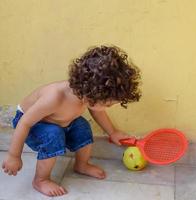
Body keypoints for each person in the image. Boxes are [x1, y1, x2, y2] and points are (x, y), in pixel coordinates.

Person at [2, 45, 141, 197]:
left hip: (59, 123)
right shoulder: (54, 97)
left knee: (82, 126)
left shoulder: (87, 96)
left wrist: (112, 132)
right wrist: (14, 156)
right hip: (32, 125)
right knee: (53, 135)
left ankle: (81, 165)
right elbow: (25, 123)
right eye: (108, 104)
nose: (109, 107)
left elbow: (97, 111)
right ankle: (41, 180)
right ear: (92, 96)